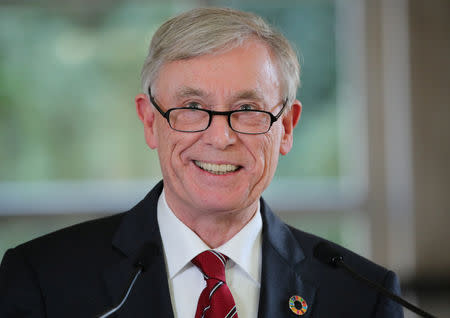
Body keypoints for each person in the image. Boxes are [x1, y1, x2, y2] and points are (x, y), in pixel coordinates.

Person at [0, 7, 403, 318]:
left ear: (288, 127)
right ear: (150, 121)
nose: (220, 136)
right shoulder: (43, 279)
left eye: (247, 108)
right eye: (192, 107)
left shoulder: (363, 295)